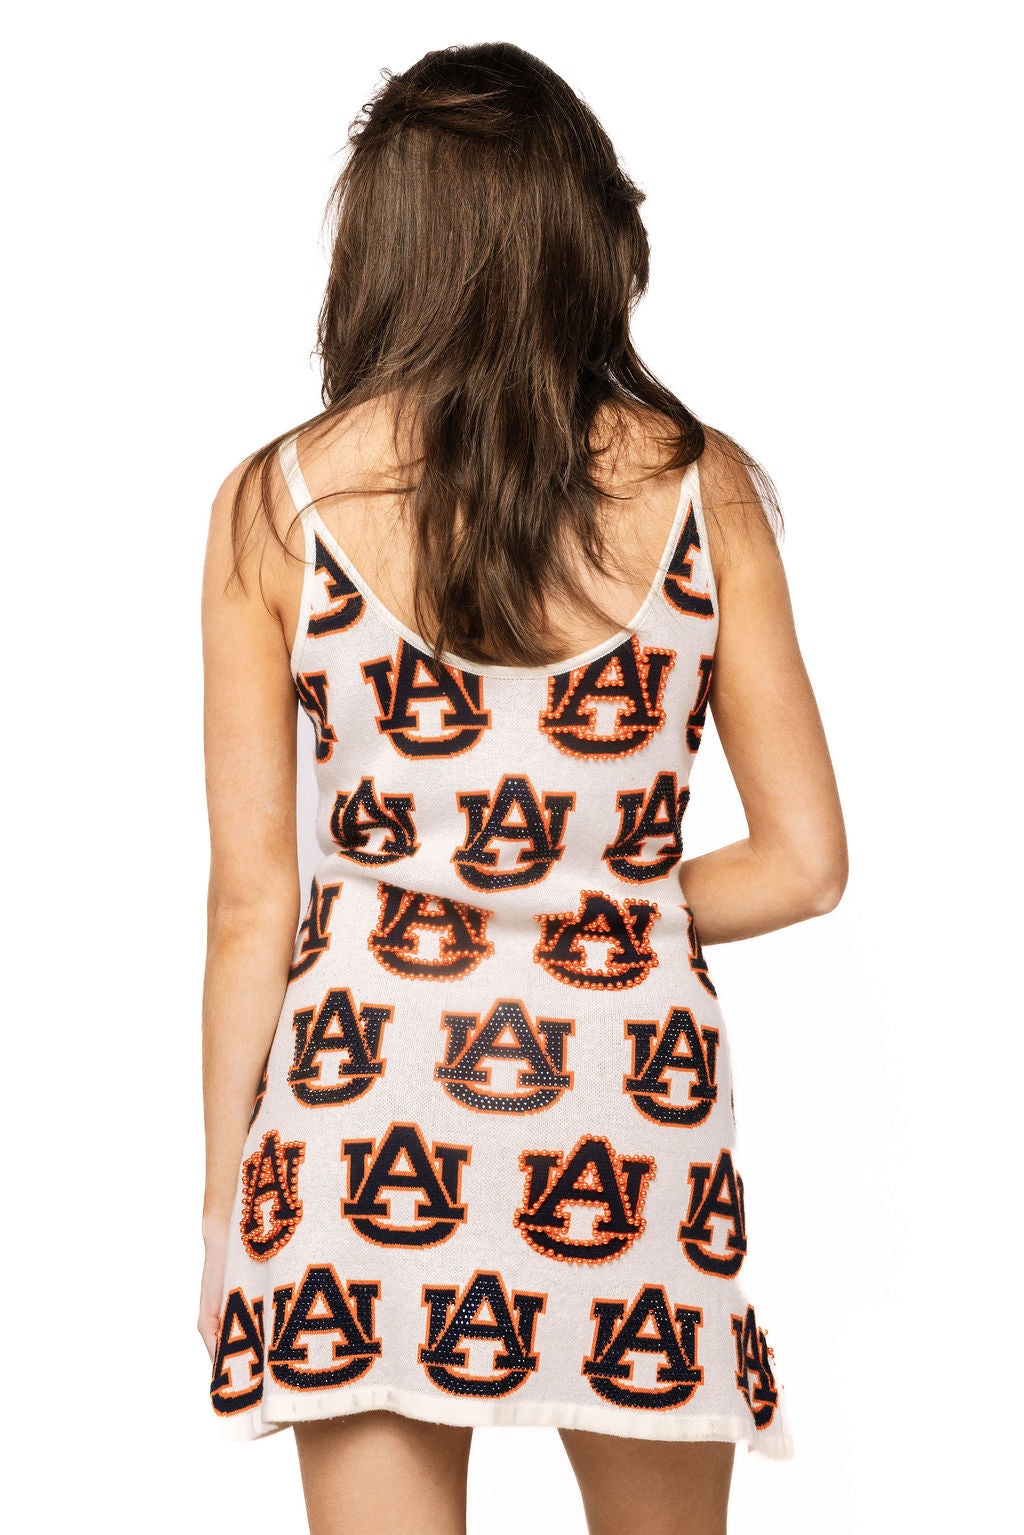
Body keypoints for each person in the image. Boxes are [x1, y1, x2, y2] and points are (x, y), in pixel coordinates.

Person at [198, 41, 847, 1535]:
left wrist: (229, 1205)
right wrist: (587, 909)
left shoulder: (277, 508)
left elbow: (251, 908)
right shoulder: (702, 492)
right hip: (626, 1109)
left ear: (384, 246)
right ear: (584, 233)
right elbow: (805, 863)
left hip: (363, 1109)